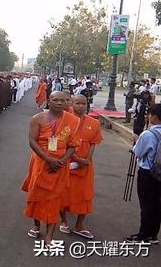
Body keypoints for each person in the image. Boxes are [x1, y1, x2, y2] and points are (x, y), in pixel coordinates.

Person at [21, 91, 80, 246]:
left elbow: (73, 145)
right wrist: (48, 159)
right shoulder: (38, 118)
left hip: (60, 165)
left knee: (55, 199)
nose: (59, 103)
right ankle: (36, 225)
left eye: (62, 101)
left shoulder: (72, 120)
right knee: (36, 194)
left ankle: (49, 236)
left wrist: (60, 161)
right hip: (40, 163)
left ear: (67, 103)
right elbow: (32, 141)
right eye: (55, 100)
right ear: (49, 100)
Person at [59, 95, 102, 239]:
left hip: (85, 165)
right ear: (72, 103)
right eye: (78, 103)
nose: (81, 106)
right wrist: (76, 158)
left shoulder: (93, 123)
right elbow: (62, 143)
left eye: (84, 103)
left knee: (85, 195)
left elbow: (93, 143)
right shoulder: (65, 120)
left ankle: (79, 224)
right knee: (64, 194)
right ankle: (64, 221)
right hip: (67, 163)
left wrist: (87, 159)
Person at [126, 103, 161, 244]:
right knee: (157, 204)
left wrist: (136, 140)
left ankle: (143, 235)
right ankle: (153, 235)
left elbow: (138, 152)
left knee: (146, 205)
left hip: (148, 173)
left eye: (149, 114)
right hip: (160, 173)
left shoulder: (148, 134)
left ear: (154, 116)